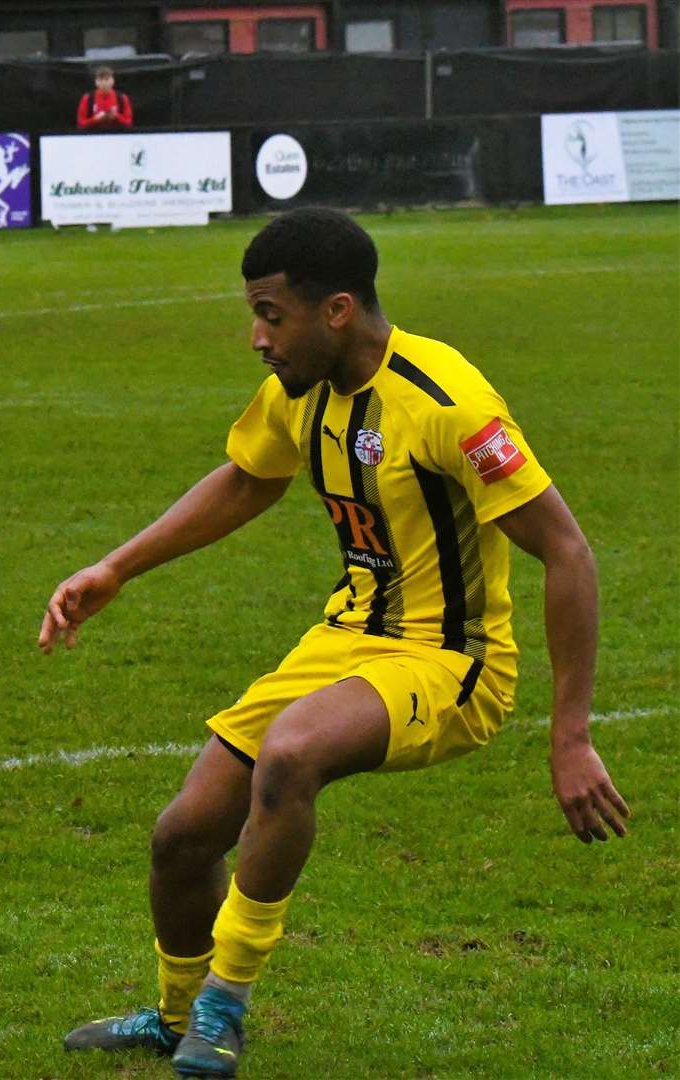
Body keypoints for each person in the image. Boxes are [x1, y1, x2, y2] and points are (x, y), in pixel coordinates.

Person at [41, 207, 627, 1076]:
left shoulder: (446, 402)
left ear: (337, 310)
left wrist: (569, 735)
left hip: (448, 660)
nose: (256, 337)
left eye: (270, 314)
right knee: (182, 837)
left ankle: (222, 1007)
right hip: (346, 638)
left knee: (290, 754)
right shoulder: (300, 386)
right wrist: (116, 568)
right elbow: (248, 478)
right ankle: (172, 1015)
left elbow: (567, 550)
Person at [77, 66, 132, 131]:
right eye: (100, 80)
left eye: (107, 79)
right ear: (96, 82)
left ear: (112, 81)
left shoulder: (122, 98)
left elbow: (129, 123)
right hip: (93, 135)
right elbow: (80, 123)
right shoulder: (87, 98)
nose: (104, 83)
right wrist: (95, 119)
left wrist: (116, 116)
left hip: (117, 135)